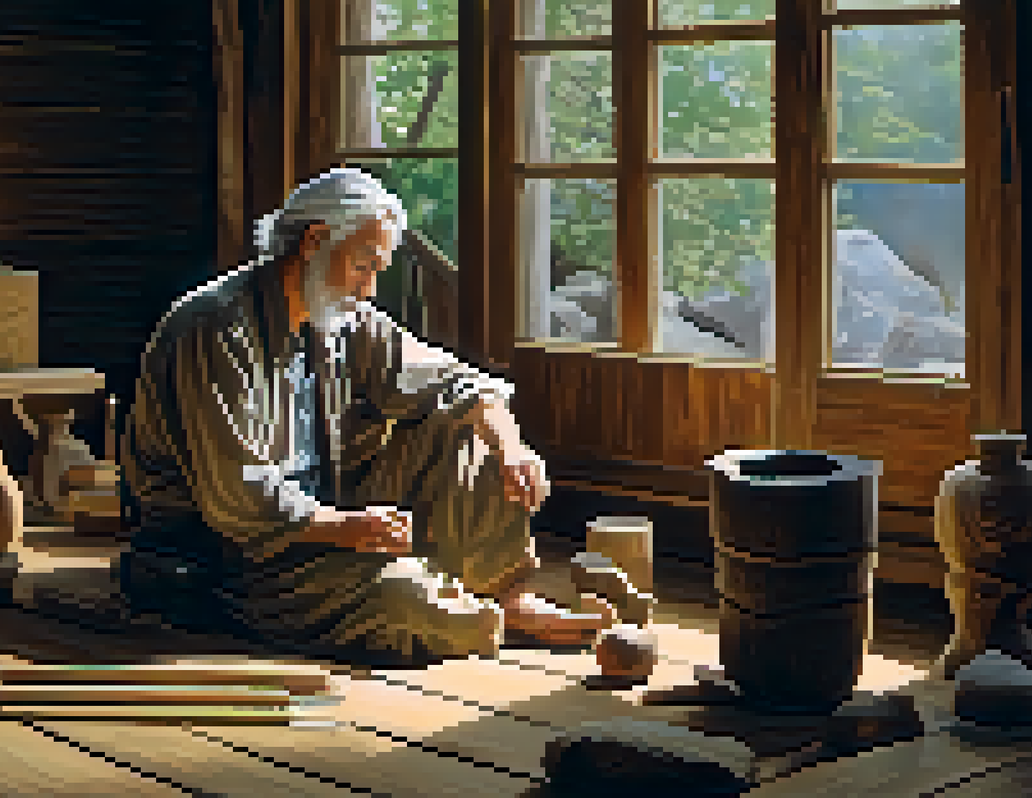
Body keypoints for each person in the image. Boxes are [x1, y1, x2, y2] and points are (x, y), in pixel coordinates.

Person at [120, 168, 647, 666]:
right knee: (405, 603)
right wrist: (347, 527)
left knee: (470, 425)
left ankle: (505, 595)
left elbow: (457, 383)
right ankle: (467, 614)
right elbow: (239, 498)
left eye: (376, 270)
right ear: (313, 242)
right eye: (363, 265)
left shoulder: (341, 317)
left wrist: (511, 447)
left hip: (325, 514)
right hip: (226, 555)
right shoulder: (218, 331)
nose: (369, 288)